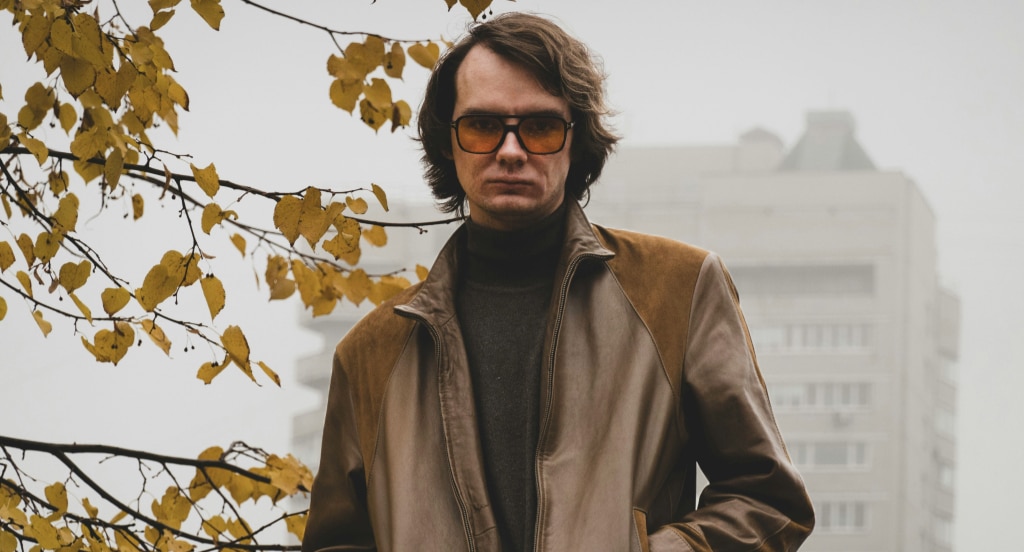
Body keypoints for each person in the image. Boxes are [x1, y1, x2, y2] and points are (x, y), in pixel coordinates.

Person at [302, 12, 814, 552]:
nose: (510, 151)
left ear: (578, 141)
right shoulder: (370, 352)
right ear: (447, 143)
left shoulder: (679, 290)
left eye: (540, 127)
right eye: (482, 126)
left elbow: (768, 499)